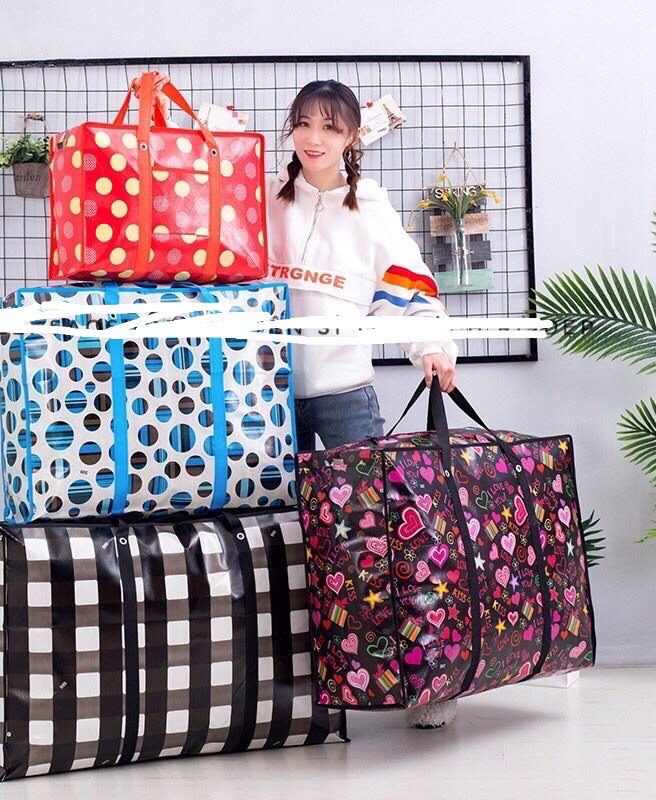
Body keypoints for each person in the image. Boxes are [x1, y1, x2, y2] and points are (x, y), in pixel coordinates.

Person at [132, 72, 459, 730]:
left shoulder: (371, 208)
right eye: (303, 124)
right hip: (261, 397)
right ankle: (282, 686)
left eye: (330, 127)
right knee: (268, 540)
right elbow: (202, 219)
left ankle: (425, 681)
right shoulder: (261, 196)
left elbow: (410, 286)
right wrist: (207, 136)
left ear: (352, 136)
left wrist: (431, 345)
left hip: (344, 396)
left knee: (375, 539)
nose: (314, 138)